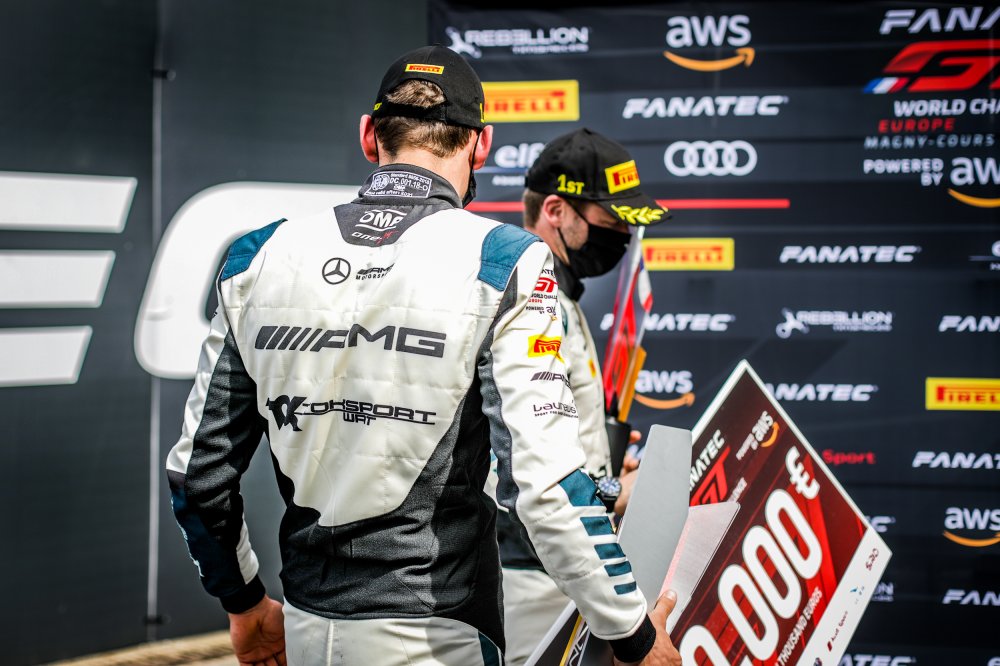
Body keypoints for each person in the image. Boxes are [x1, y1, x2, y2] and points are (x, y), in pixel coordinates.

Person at [166, 45, 680, 666]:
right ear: (481, 145)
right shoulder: (505, 262)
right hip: (438, 637)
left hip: (304, 628)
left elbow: (197, 477)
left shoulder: (259, 256)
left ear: (368, 135)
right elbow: (545, 488)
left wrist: (245, 603)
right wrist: (634, 636)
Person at [500, 128, 668, 665]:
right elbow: (514, 468)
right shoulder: (528, 303)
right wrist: (615, 491)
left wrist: (606, 468)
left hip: (571, 565)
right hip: (531, 573)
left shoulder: (559, 297)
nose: (623, 235)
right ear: (555, 210)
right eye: (613, 220)